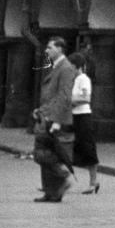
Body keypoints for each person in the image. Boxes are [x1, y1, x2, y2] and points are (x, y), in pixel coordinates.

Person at [32, 38, 77, 203]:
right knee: (45, 152)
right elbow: (52, 96)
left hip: (54, 119)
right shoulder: (57, 67)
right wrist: (41, 110)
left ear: (60, 49)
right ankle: (51, 192)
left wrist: (56, 119)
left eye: (49, 47)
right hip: (47, 116)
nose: (46, 51)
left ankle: (63, 177)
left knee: (42, 154)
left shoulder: (65, 68)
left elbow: (64, 96)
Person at [70, 48, 101, 194]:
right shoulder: (74, 80)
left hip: (83, 117)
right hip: (74, 117)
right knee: (71, 149)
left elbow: (85, 99)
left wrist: (69, 101)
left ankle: (93, 182)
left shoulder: (83, 79)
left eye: (71, 66)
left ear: (77, 66)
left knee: (88, 149)